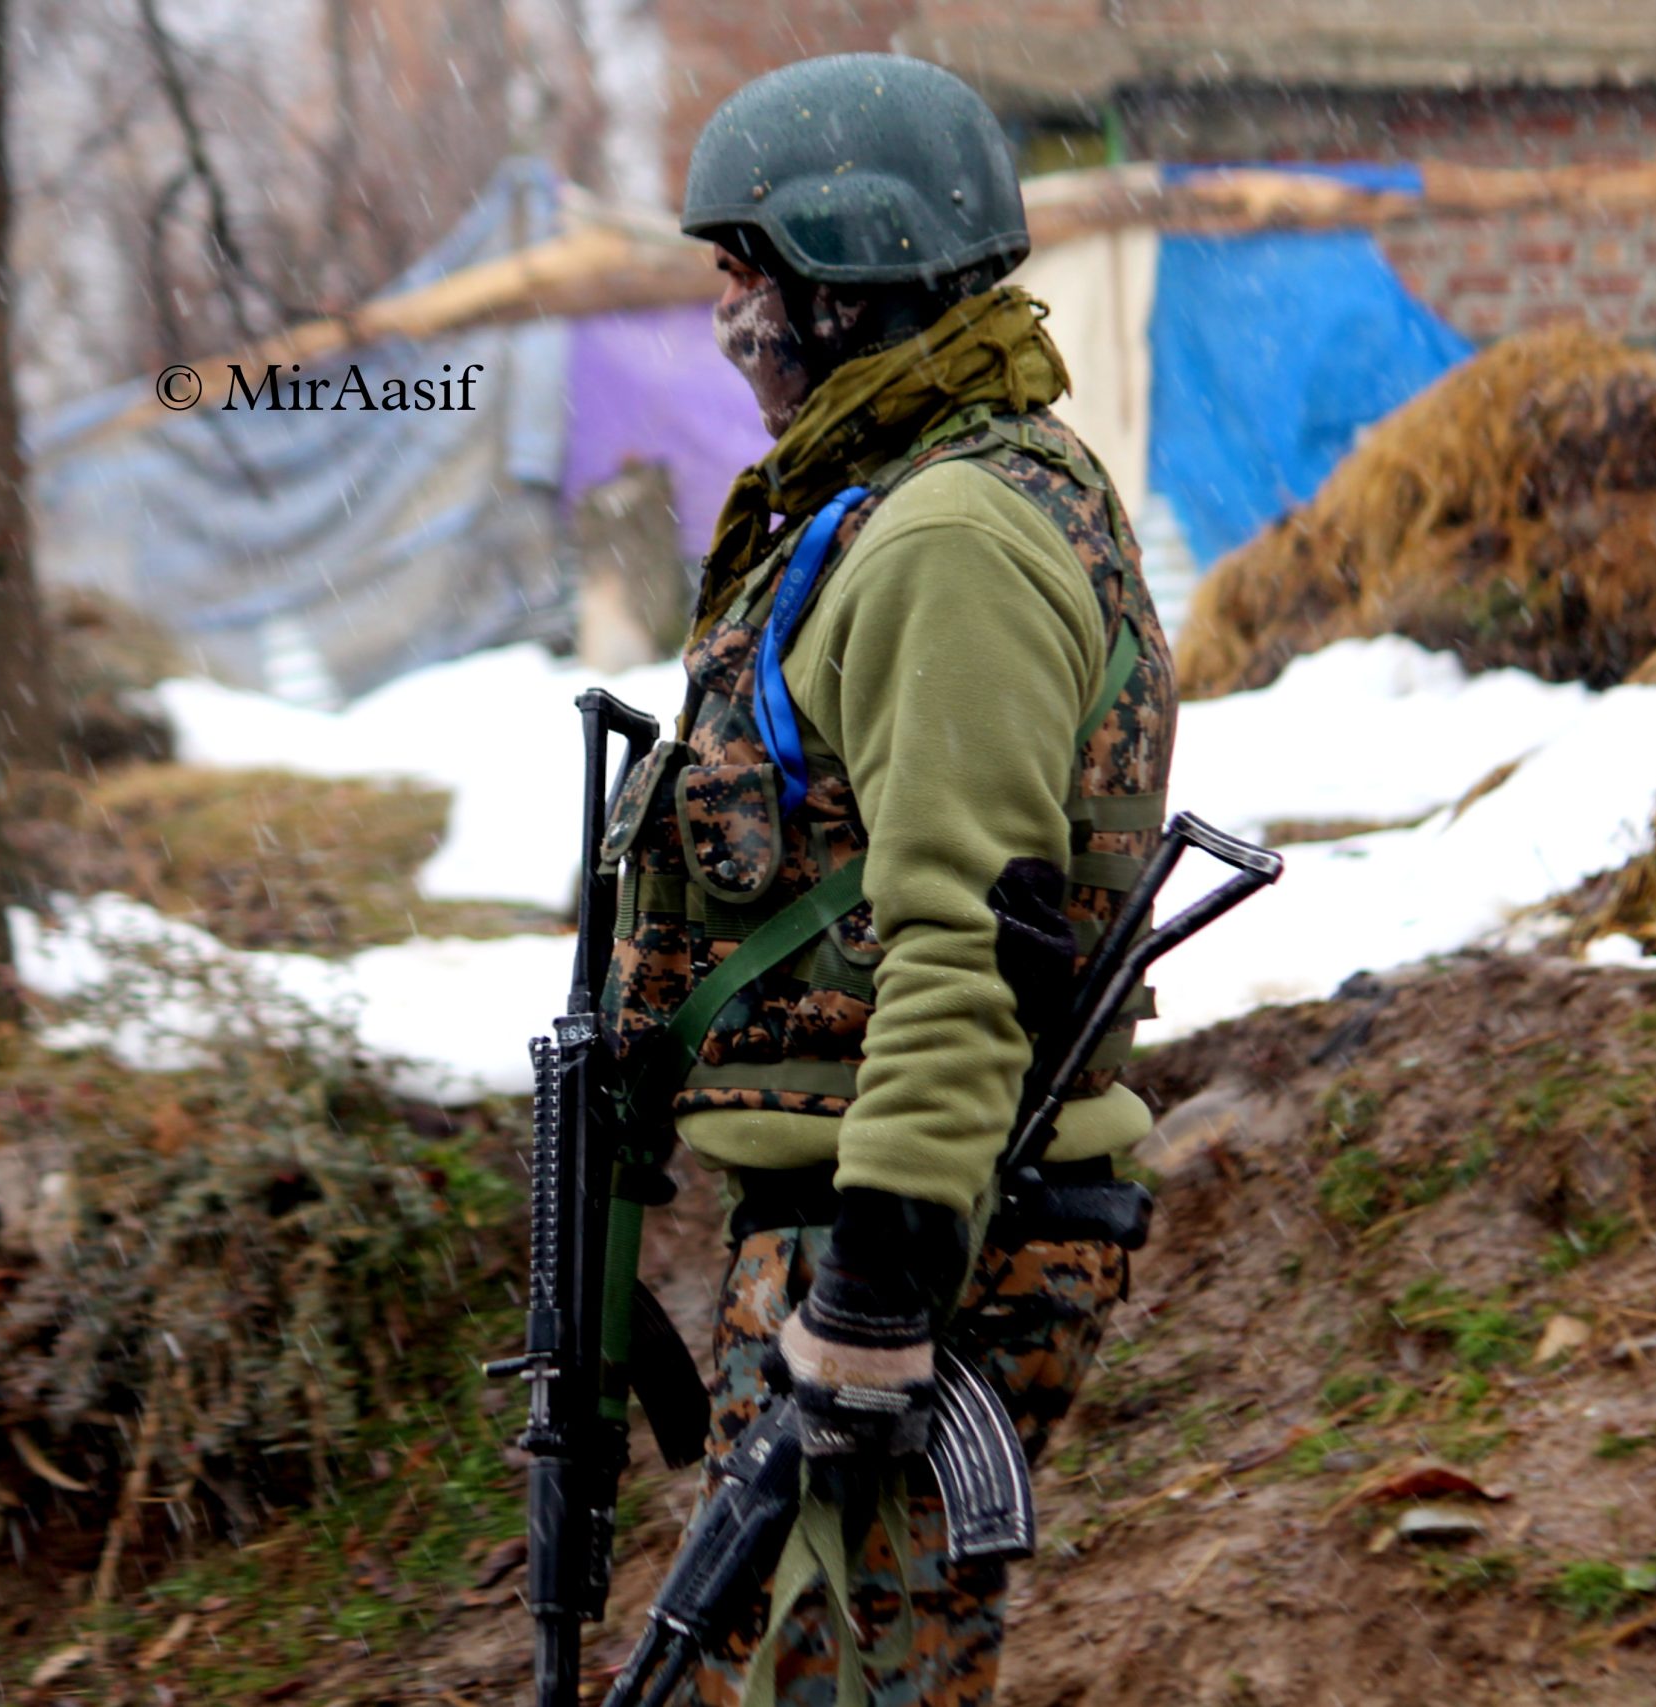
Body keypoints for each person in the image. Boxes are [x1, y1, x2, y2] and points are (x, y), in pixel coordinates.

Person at [595, 52, 1177, 1706]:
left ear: (843, 288)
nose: (725, 321)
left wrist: (879, 1276)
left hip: (920, 1226)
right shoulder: (892, 508)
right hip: (873, 1209)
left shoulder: (943, 542)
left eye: (744, 275)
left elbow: (969, 938)